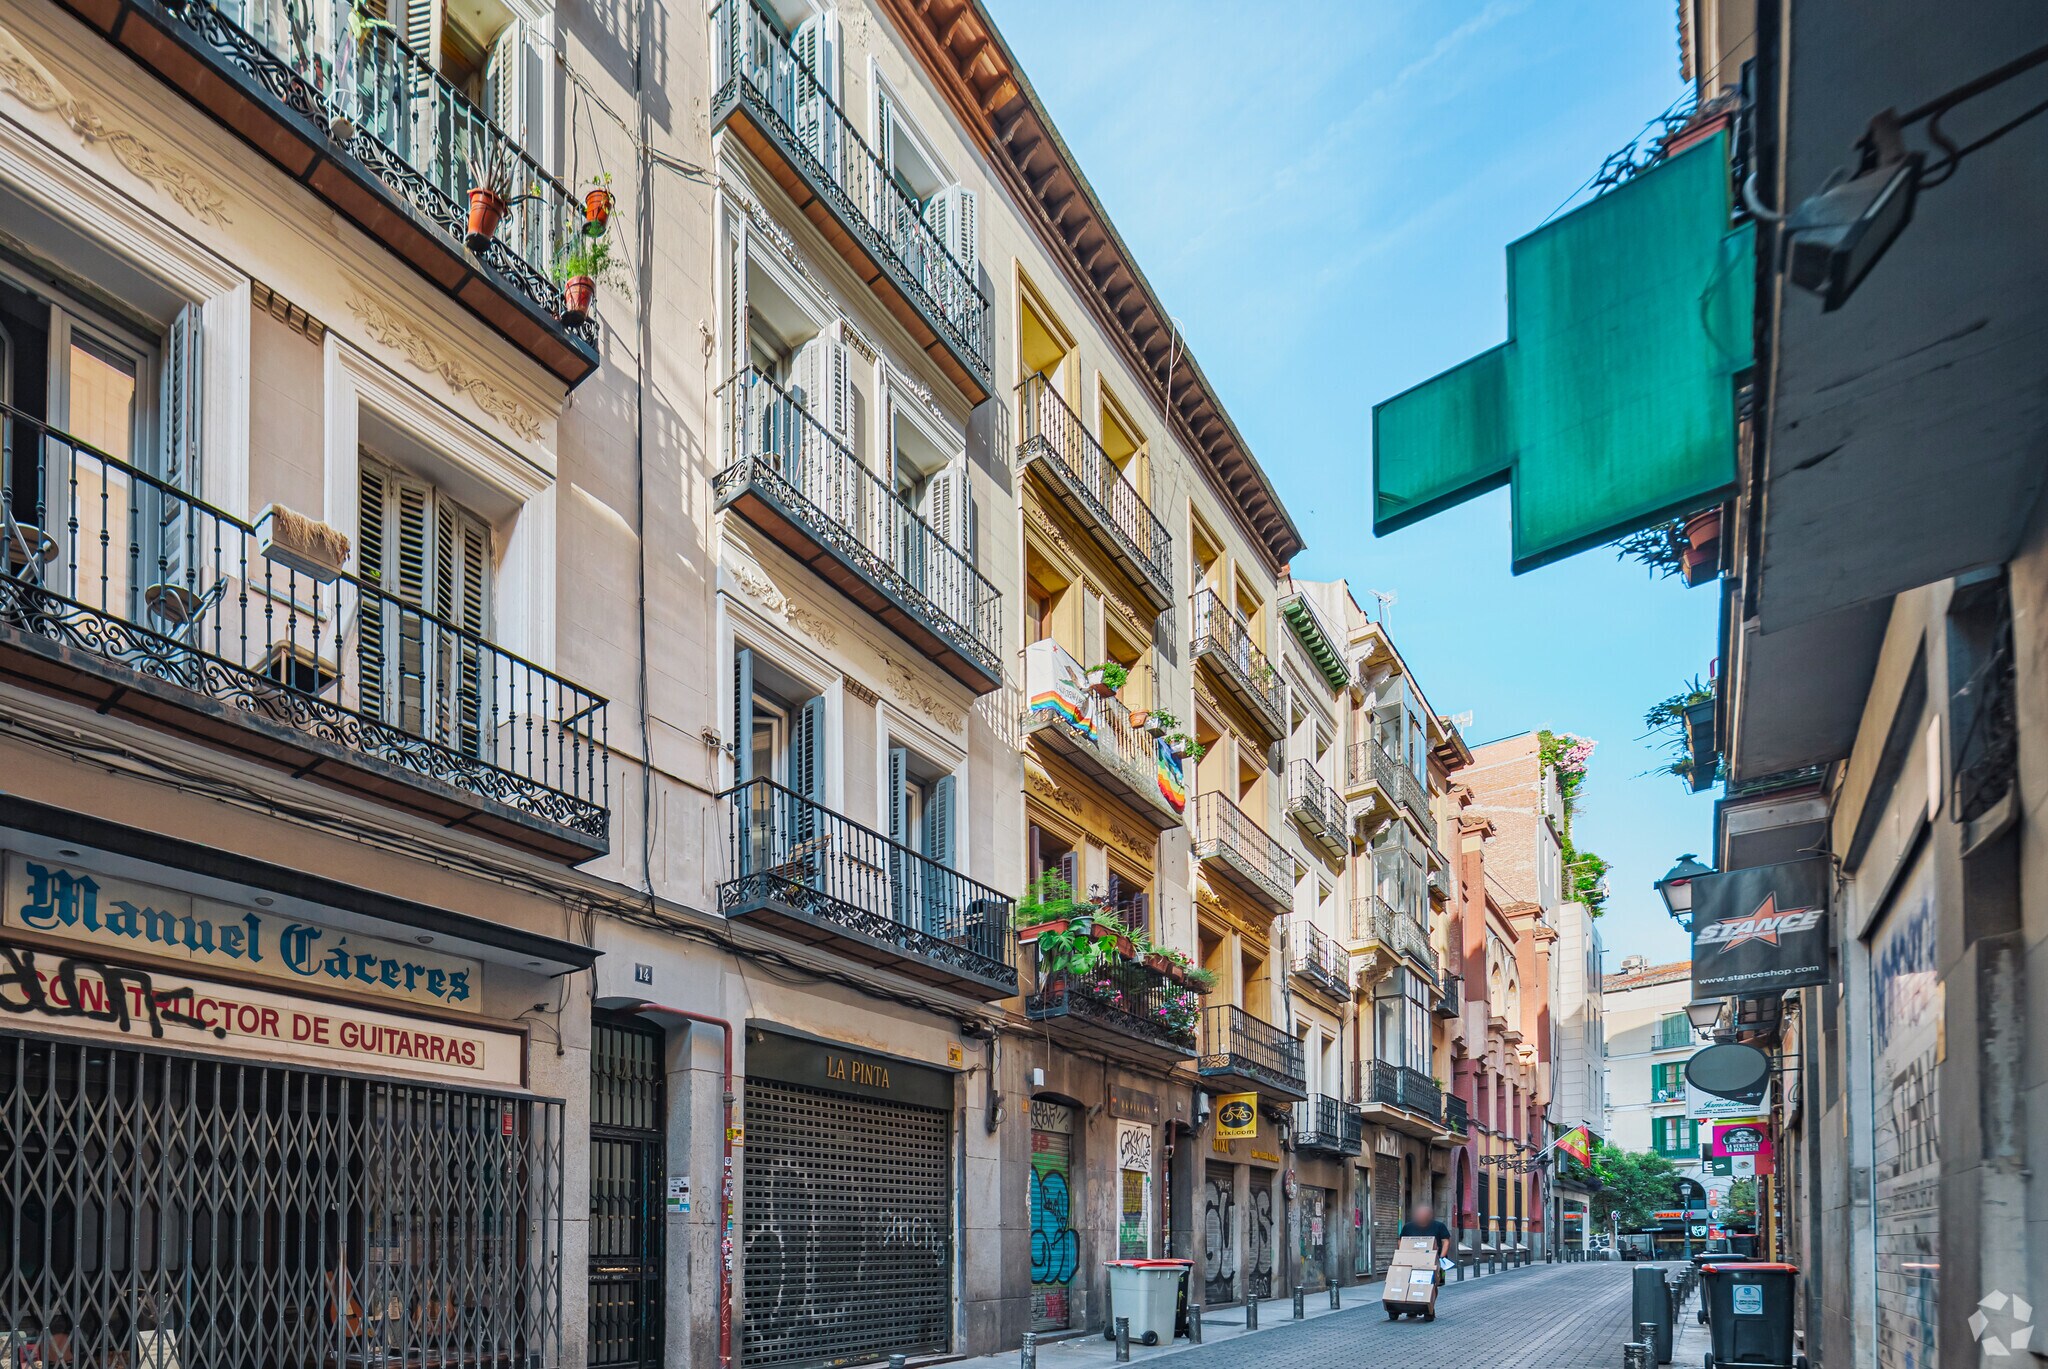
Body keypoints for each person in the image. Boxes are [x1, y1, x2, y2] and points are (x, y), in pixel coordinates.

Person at [1398, 1202, 1454, 1284]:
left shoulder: (1439, 1226)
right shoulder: (1408, 1227)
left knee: (1437, 1284)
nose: (1421, 1216)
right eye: (1419, 1214)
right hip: (1414, 1260)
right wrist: (1405, 1254)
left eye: (1424, 1214)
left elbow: (1446, 1241)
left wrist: (1442, 1257)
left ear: (1430, 1216)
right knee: (1415, 1283)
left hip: (1435, 1260)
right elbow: (1401, 1241)